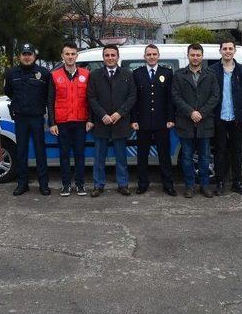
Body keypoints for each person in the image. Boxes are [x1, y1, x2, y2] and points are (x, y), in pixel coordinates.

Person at [87, 45, 137, 197]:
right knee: (99, 158)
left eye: (112, 55)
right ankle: (98, 185)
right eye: (107, 55)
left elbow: (132, 97)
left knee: (121, 157)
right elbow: (91, 97)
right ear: (103, 57)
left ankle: (123, 184)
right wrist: (102, 115)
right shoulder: (94, 75)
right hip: (101, 123)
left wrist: (119, 113)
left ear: (118, 56)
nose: (110, 58)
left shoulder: (128, 74)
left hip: (120, 123)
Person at [172, 43, 220, 198]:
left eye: (198, 55)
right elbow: (176, 96)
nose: (195, 57)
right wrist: (191, 112)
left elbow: (215, 96)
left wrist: (201, 113)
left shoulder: (210, 74)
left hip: (205, 122)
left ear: (202, 56)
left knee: (205, 157)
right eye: (192, 55)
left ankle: (205, 186)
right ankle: (190, 186)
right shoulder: (179, 74)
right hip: (185, 122)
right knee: (186, 157)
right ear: (188, 56)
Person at [4, 43, 51, 196]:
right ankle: (22, 184)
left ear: (34, 56)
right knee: (21, 152)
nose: (26, 56)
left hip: (37, 117)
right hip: (21, 118)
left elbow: (48, 95)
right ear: (20, 56)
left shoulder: (43, 73)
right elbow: (9, 92)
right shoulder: (11, 73)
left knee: (40, 152)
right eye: (24, 54)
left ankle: (43, 184)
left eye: (29, 54)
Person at [48, 42, 94, 197]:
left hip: (81, 121)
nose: (70, 57)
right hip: (62, 123)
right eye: (67, 54)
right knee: (64, 155)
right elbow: (50, 101)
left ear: (77, 56)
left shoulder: (86, 74)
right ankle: (66, 185)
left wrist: (90, 119)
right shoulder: (54, 75)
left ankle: (80, 185)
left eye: (73, 54)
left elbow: (91, 100)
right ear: (62, 56)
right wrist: (52, 123)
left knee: (80, 155)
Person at [131, 44, 177, 196]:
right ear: (144, 57)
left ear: (158, 56)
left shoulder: (167, 73)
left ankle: (168, 184)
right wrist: (134, 119)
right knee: (142, 156)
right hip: (142, 122)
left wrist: (171, 118)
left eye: (154, 54)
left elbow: (170, 98)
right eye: (149, 54)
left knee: (164, 156)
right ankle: (142, 184)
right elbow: (133, 99)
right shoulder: (137, 74)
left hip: (162, 122)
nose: (151, 57)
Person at [210, 39, 242, 196]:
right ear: (220, 51)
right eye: (224, 48)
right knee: (220, 151)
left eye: (230, 48)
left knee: (237, 151)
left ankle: (237, 182)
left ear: (234, 51)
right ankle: (220, 182)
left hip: (237, 118)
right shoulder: (213, 70)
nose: (227, 51)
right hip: (219, 118)